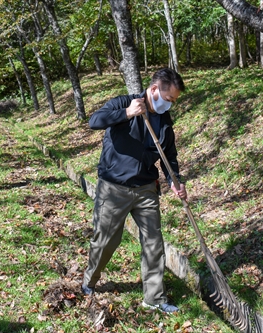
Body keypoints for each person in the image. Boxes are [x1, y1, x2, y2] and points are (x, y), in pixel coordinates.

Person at [82, 68, 187, 313]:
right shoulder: (123, 103)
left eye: (173, 101)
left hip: (146, 189)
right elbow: (94, 121)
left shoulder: (164, 121)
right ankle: (89, 281)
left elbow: (168, 156)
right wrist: (127, 113)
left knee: (153, 243)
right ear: (154, 90)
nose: (170, 105)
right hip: (113, 188)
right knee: (106, 241)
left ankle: (154, 298)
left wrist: (175, 181)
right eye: (168, 98)